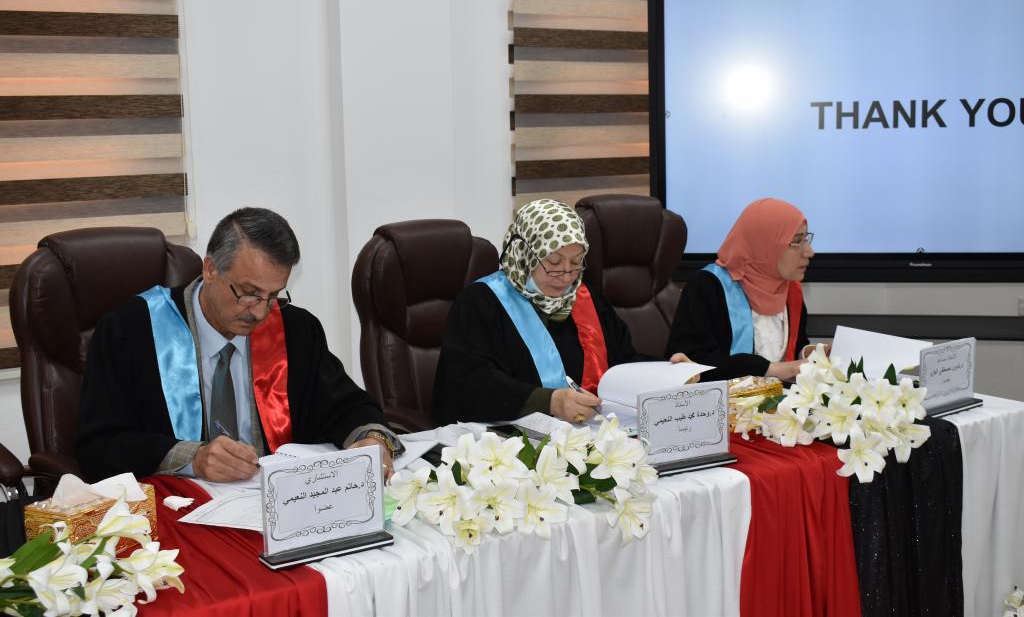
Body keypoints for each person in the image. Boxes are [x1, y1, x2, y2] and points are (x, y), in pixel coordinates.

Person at [76, 208, 401, 483]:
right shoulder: (131, 331)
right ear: (210, 269)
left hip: (276, 506)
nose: (259, 312)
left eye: (273, 295)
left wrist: (371, 438)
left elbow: (345, 406)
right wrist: (193, 457)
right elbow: (99, 446)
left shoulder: (295, 329)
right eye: (248, 293)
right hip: (178, 508)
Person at [433, 199, 688, 425]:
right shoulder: (481, 303)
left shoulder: (586, 298)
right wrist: (549, 401)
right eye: (553, 262)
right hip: (509, 442)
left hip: (592, 436)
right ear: (525, 254)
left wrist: (668, 373)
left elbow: (621, 362)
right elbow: (469, 384)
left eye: (576, 263)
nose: (566, 276)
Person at [665, 198, 819, 383]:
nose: (809, 252)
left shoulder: (790, 289)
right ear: (764, 244)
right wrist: (771, 369)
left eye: (806, 239)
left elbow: (792, 348)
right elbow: (691, 361)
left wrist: (811, 353)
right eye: (796, 242)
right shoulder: (707, 286)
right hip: (723, 398)